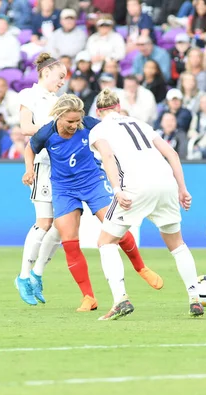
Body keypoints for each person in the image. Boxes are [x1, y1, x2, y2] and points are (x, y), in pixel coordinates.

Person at [22, 94, 163, 310]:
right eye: (70, 121)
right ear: (59, 116)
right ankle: (88, 297)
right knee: (69, 240)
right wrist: (29, 169)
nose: (74, 125)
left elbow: (114, 136)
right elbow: (30, 148)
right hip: (63, 189)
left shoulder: (90, 124)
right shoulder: (47, 132)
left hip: (93, 182)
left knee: (114, 226)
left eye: (77, 120)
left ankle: (141, 268)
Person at [88, 88, 204, 320]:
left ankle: (120, 299)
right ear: (118, 107)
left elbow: (108, 157)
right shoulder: (139, 123)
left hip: (136, 187)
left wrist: (118, 190)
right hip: (166, 184)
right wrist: (182, 188)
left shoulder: (99, 129)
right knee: (177, 244)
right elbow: (171, 153)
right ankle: (195, 298)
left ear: (99, 111)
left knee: (106, 241)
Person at [15, 53, 67, 305]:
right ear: (46, 73)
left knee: (62, 224)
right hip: (43, 165)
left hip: (62, 166)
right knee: (44, 222)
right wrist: (55, 128)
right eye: (60, 77)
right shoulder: (29, 95)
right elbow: (25, 127)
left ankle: (37, 274)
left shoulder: (58, 100)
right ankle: (23, 276)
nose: (62, 82)